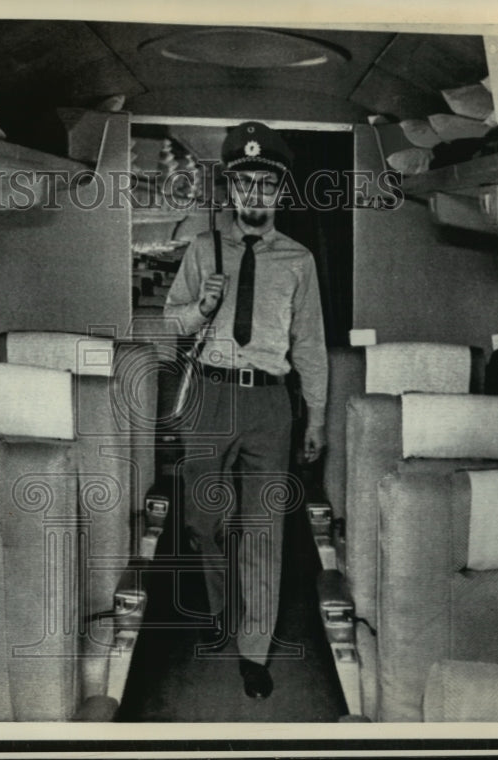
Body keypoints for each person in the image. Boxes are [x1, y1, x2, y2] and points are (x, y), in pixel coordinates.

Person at [164, 121, 329, 699]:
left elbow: (309, 346)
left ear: (280, 191)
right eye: (243, 183)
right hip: (209, 395)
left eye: (265, 183)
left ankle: (253, 649)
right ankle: (219, 610)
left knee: (262, 530)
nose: (254, 195)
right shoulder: (202, 249)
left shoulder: (300, 261)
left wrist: (317, 417)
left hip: (268, 403)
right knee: (204, 522)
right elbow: (171, 323)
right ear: (230, 190)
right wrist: (200, 308)